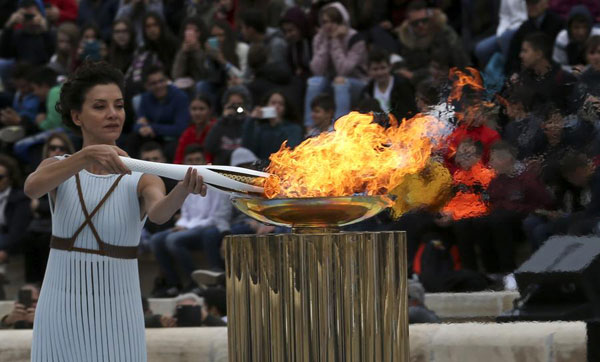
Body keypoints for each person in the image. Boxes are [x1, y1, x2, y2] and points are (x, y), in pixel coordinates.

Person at [24, 61, 207, 361]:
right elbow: (32, 187)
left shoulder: (142, 175)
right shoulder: (58, 167)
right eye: (99, 106)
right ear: (76, 116)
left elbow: (160, 213)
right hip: (58, 309)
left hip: (119, 312)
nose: (113, 114)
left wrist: (183, 189)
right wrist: (85, 156)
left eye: (118, 105)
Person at [149, 145, 231, 296]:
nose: (195, 164)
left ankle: (196, 282)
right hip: (191, 228)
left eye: (198, 160)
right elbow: (185, 214)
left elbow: (218, 217)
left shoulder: (218, 181)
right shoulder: (185, 183)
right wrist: (182, 225)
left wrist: (187, 226)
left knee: (173, 240)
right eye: (190, 161)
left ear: (205, 161)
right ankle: (173, 284)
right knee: (156, 239)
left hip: (211, 228)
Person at [304, 2, 368, 127]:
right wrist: (326, 43)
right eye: (325, 22)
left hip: (357, 83)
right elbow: (317, 70)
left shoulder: (355, 38)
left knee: (340, 81)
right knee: (314, 81)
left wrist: (335, 42)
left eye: (333, 21)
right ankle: (309, 126)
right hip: (331, 82)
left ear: (342, 21)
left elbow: (344, 70)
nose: (328, 25)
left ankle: (339, 127)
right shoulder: (319, 38)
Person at [23, 132, 75, 284]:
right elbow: (30, 199)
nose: (57, 151)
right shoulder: (39, 172)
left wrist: (40, 206)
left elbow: (66, 203)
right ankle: (32, 286)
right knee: (29, 237)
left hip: (64, 224)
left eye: (61, 147)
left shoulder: (76, 172)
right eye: (53, 148)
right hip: (41, 224)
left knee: (47, 239)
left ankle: (49, 283)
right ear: (47, 150)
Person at [127, 65, 190, 159]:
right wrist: (141, 128)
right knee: (133, 138)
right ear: (147, 86)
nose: (159, 86)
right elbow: (137, 123)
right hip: (152, 136)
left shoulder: (180, 97)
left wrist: (152, 127)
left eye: (161, 81)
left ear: (166, 80)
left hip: (171, 138)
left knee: (173, 147)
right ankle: (133, 169)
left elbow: (180, 128)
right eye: (154, 83)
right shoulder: (145, 98)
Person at [517, 32, 577, 114]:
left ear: (538, 54)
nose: (521, 55)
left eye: (525, 51)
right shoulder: (523, 77)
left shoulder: (563, 79)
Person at [0, 154, 32, 300]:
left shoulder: (20, 198)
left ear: (10, 178)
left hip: (12, 246)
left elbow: (17, 232)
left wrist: (4, 250)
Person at [505, 0, 564, 75]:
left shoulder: (558, 24)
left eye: (534, 3)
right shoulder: (524, 28)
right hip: (527, 76)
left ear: (546, 3)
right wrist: (514, 73)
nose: (530, 7)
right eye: (528, 4)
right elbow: (512, 58)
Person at [360, 47, 417, 122]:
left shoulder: (402, 86)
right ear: (369, 70)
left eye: (383, 68)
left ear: (390, 67)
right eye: (375, 69)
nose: (379, 73)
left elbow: (411, 111)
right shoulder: (367, 91)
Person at [243, 90, 303, 160]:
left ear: (285, 109)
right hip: (259, 166)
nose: (277, 106)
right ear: (266, 106)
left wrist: (277, 124)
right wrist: (251, 119)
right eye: (273, 103)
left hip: (281, 165)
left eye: (281, 104)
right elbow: (247, 149)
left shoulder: (294, 128)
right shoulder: (260, 128)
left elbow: (290, 150)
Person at [204, 85, 252, 164]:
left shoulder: (250, 124)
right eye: (233, 104)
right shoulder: (221, 123)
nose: (236, 108)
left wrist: (249, 120)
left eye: (240, 104)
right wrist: (222, 120)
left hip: (244, 168)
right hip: (223, 166)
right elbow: (209, 147)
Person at [0, 0, 54, 66]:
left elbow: (52, 55)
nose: (28, 20)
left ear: (40, 14)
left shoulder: (50, 33)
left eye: (30, 16)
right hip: (21, 72)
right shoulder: (17, 35)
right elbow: (4, 54)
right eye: (25, 16)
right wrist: (9, 26)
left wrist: (44, 31)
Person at [552, 5, 600, 74]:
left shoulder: (598, 35)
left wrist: (587, 70)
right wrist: (571, 69)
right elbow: (557, 65)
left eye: (585, 27)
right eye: (576, 27)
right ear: (569, 27)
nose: (581, 32)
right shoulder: (562, 39)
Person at [174, 94, 217, 164]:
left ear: (210, 110)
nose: (197, 113)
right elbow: (178, 160)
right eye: (194, 109)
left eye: (201, 109)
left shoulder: (216, 129)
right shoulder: (187, 133)